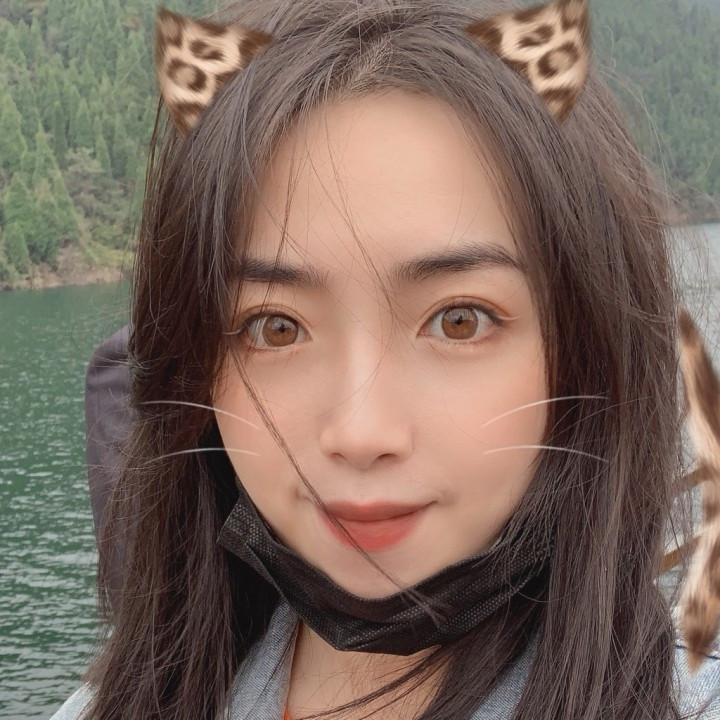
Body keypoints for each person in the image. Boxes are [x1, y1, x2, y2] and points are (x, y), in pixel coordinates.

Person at [51, 0, 720, 718]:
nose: (360, 433)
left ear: (588, 346)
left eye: (460, 320)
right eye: (274, 328)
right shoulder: (119, 701)